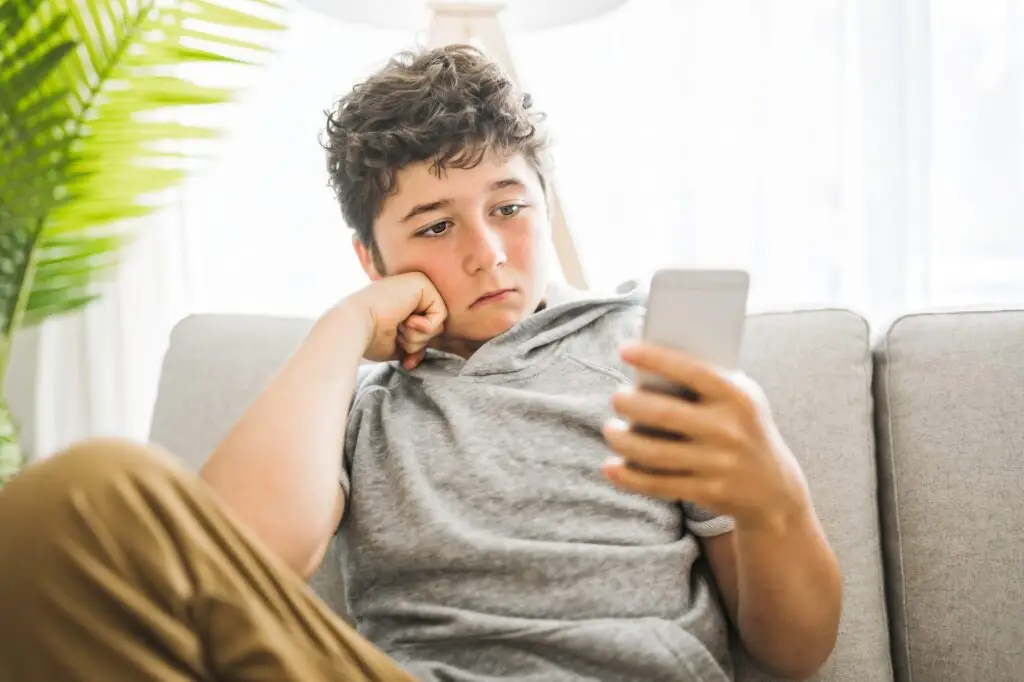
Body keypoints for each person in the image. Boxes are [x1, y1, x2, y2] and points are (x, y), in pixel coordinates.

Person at [0, 45, 842, 681]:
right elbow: (239, 557)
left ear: (546, 207)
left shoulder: (652, 359)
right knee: (80, 496)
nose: (487, 255)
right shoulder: (361, 409)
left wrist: (773, 500)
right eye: (435, 226)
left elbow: (795, 649)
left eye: (510, 208)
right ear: (374, 260)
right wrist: (342, 331)